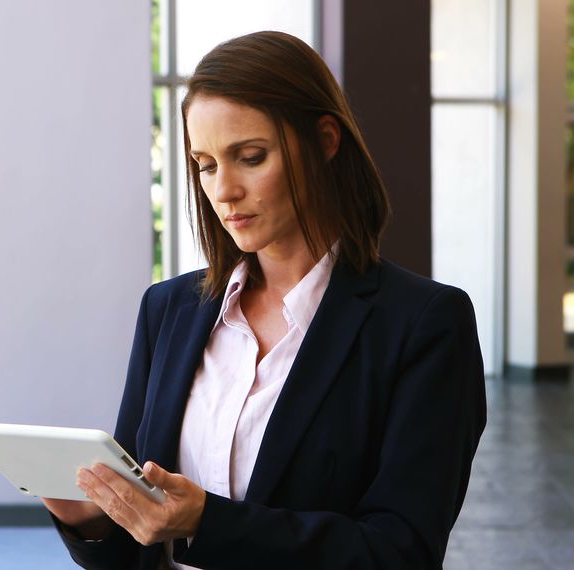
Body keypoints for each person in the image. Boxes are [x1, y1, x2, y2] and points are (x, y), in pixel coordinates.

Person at [42, 31, 486, 569]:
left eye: (249, 157)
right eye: (205, 165)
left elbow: (401, 553)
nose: (223, 189)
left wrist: (208, 522)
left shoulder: (423, 324)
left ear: (325, 140)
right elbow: (135, 551)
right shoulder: (168, 310)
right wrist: (90, 520)